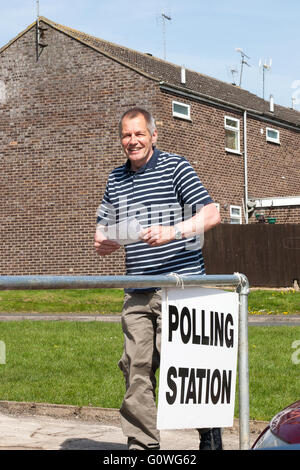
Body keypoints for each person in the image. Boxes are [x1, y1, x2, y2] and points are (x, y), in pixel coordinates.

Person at [94, 107, 221, 450]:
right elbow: (101, 231)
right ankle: (143, 445)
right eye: (126, 135)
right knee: (135, 368)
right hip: (137, 290)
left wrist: (173, 231)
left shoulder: (176, 167)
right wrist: (103, 239)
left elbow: (211, 213)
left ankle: (209, 437)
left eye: (138, 134)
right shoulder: (115, 179)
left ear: (153, 135)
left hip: (178, 287)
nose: (132, 141)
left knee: (185, 368)